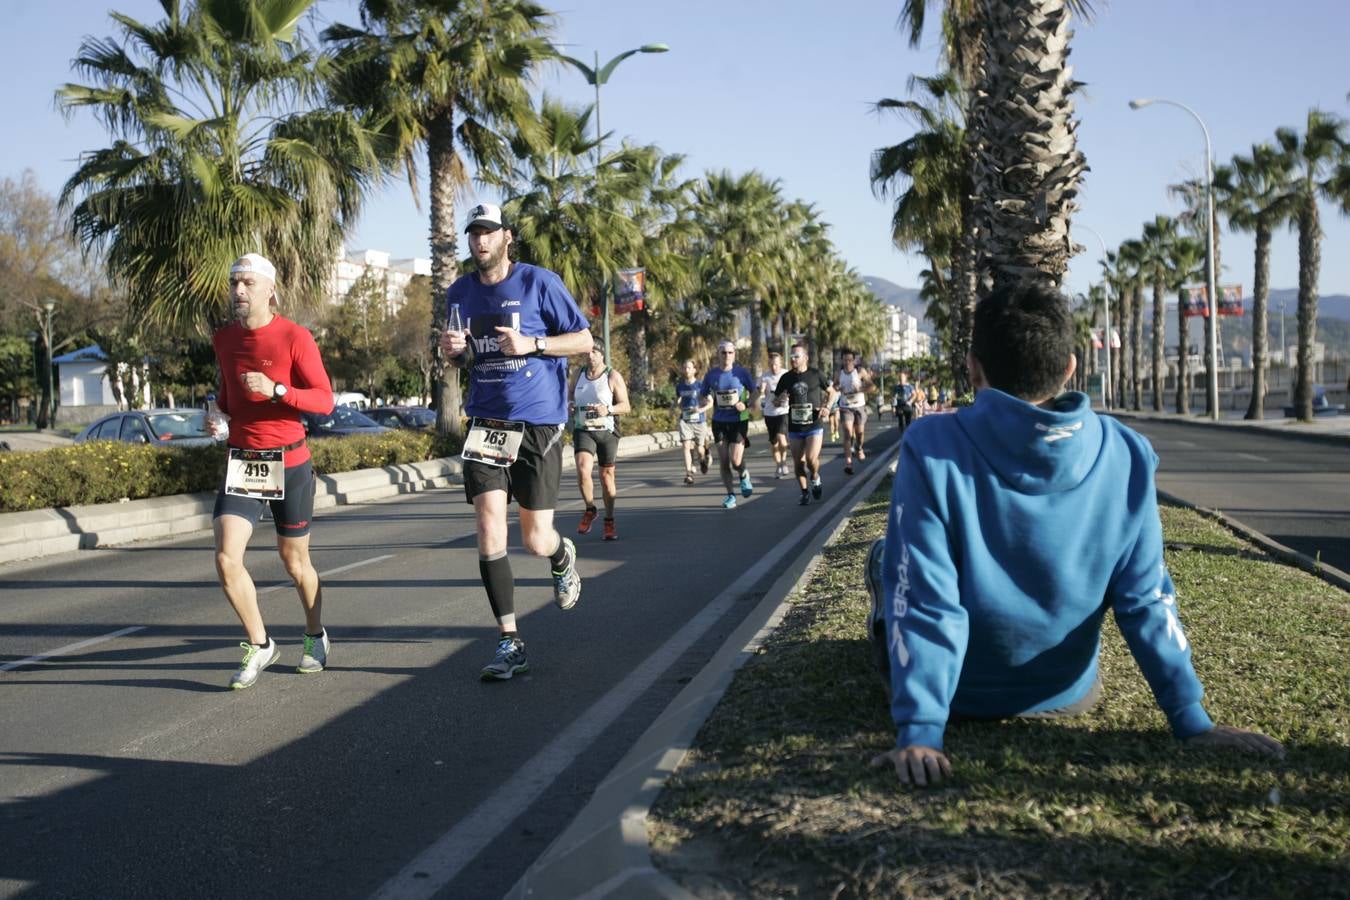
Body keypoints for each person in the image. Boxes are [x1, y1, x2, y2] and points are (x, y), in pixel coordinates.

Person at [867, 281, 1285, 788]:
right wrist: (1192, 720)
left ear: (974, 367)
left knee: (884, 560)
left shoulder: (932, 445)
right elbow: (1147, 599)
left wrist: (921, 731)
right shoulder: (1126, 453)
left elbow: (927, 599)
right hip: (1065, 695)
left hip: (958, 700)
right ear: (1070, 366)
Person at [440, 202, 594, 681]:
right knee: (489, 528)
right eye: (473, 233)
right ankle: (510, 641)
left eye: (487, 232)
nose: (479, 241)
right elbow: (460, 359)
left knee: (534, 539)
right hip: (486, 424)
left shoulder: (538, 282)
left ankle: (561, 553)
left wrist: (535, 344)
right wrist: (452, 353)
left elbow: (585, 340)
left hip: (538, 425)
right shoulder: (459, 292)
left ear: (507, 237)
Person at [209, 253, 337, 690]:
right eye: (234, 284)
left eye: (246, 283)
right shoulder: (223, 340)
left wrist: (278, 389)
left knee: (294, 561)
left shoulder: (294, 336)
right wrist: (216, 415)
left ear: (270, 290)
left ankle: (315, 634)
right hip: (242, 460)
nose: (238, 291)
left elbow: (324, 400)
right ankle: (259, 643)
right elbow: (227, 399)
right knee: (227, 558)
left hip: (290, 459)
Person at [569, 344, 630, 541]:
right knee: (582, 469)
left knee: (606, 477)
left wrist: (608, 410)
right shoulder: (578, 373)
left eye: (594, 352)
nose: (590, 355)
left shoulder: (613, 376)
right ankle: (590, 508)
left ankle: (609, 521)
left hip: (607, 432)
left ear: (602, 354)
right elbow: (570, 395)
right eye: (586, 352)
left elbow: (626, 406)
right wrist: (570, 404)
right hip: (583, 429)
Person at [773, 343, 837, 505]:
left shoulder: (816, 374)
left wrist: (827, 407)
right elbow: (775, 400)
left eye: (796, 356)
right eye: (791, 356)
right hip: (795, 426)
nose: (793, 359)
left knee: (810, 459)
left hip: (813, 424)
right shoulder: (786, 378)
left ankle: (815, 477)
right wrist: (779, 400)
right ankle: (804, 492)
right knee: (798, 463)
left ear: (805, 358)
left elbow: (832, 392)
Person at [701, 340, 757, 509]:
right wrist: (706, 399)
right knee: (724, 461)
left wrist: (745, 404)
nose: (727, 356)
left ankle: (743, 474)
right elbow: (703, 394)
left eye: (730, 352)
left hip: (738, 421)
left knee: (735, 460)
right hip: (719, 421)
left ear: (734, 354)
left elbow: (755, 392)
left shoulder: (741, 373)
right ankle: (731, 495)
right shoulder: (711, 375)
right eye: (723, 352)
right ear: (718, 354)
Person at [835, 350, 873, 474]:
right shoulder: (838, 373)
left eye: (850, 360)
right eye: (845, 360)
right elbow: (834, 386)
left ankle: (859, 448)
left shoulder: (860, 372)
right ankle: (848, 463)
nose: (847, 363)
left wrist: (861, 388)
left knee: (860, 433)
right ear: (842, 360)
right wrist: (837, 388)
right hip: (846, 406)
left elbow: (872, 387)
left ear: (854, 361)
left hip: (859, 406)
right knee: (847, 433)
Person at [675, 359, 712, 485]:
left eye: (689, 368)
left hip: (699, 420)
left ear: (694, 370)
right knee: (686, 446)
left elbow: (711, 402)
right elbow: (679, 401)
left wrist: (699, 409)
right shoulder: (679, 386)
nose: (686, 370)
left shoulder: (701, 385)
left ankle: (703, 459)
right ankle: (689, 474)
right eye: (684, 367)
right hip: (685, 420)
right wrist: (679, 407)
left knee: (699, 449)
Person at [760, 350, 791, 479]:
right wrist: (763, 391)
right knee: (774, 443)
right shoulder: (765, 376)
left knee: (782, 438)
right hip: (769, 412)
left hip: (783, 411)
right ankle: (778, 465)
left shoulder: (786, 374)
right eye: (772, 364)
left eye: (776, 364)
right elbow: (760, 391)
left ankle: (784, 462)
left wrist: (783, 397)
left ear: (781, 363)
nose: (774, 367)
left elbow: (791, 389)